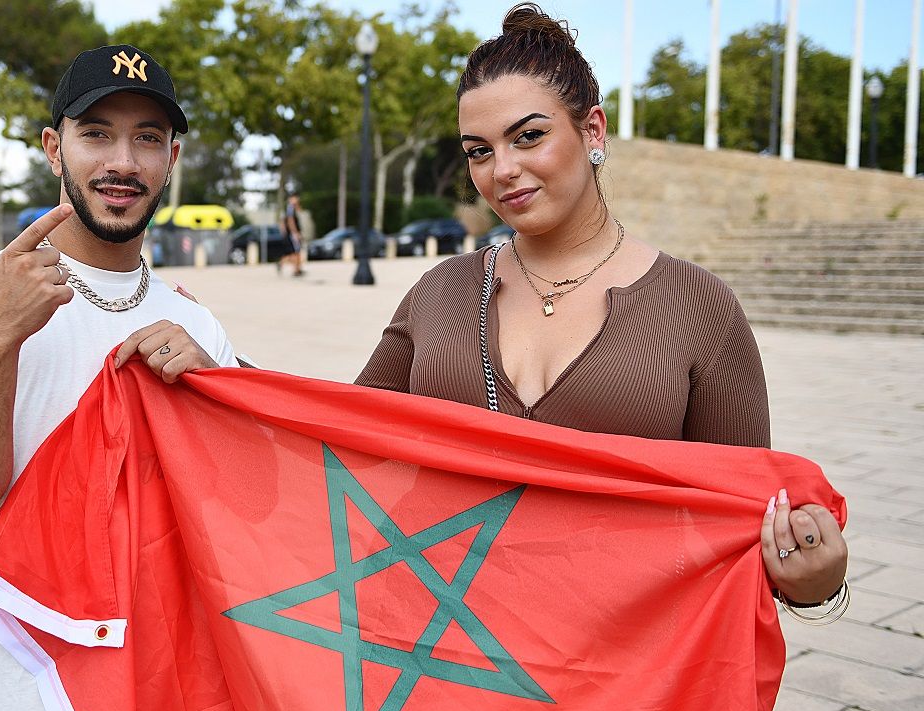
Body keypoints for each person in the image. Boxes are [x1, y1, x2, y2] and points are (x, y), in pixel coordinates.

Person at [354, 3, 847, 613]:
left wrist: (814, 579)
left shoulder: (698, 306)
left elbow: (743, 523)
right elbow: (332, 443)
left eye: (528, 136)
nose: (502, 170)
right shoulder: (439, 293)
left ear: (592, 131)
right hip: (443, 662)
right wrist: (216, 371)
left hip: (618, 682)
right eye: (478, 151)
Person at [0, 44, 236, 711]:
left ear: (172, 156)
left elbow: (234, 523)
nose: (123, 162)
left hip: (154, 706)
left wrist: (218, 398)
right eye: (97, 132)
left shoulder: (197, 324)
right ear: (55, 147)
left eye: (147, 138)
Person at [279, 192, 305, 276]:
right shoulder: (290, 208)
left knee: (296, 252)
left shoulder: (291, 208)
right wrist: (295, 233)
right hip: (292, 234)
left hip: (291, 233)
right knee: (295, 252)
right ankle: (296, 270)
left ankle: (297, 269)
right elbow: (290, 221)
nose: (297, 200)